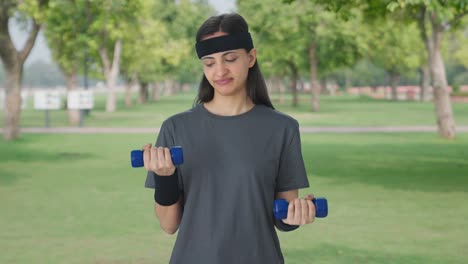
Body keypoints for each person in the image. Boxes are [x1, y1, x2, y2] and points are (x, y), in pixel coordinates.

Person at [143, 13, 316, 264]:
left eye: (230, 59)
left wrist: (298, 214)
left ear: (251, 57)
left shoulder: (282, 128)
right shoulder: (175, 128)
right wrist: (165, 177)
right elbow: (169, 225)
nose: (220, 71)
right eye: (209, 63)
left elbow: (283, 218)